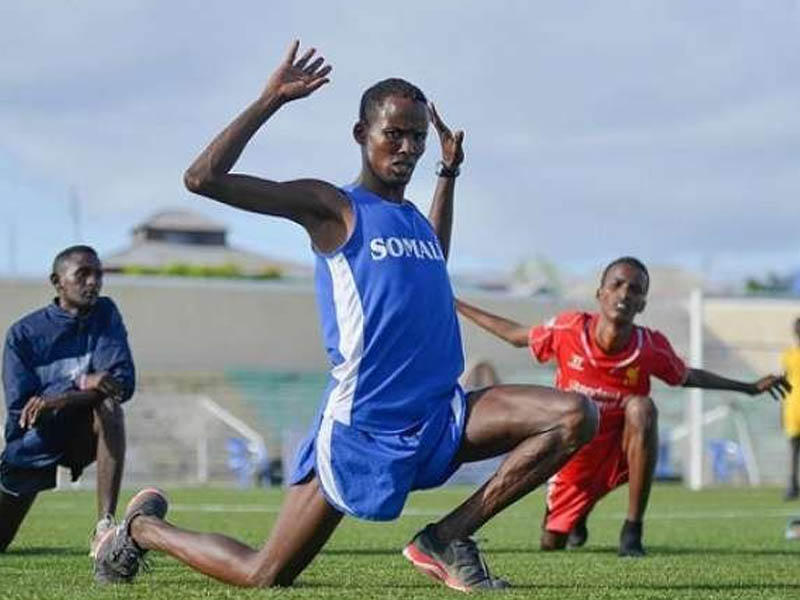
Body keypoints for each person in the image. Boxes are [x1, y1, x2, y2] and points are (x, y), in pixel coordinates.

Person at [93, 40, 598, 591]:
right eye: (394, 135)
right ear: (362, 136)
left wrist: (447, 176)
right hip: (365, 426)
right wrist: (270, 100)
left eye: (417, 138)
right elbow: (202, 178)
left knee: (575, 416)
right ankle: (143, 530)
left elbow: (430, 261)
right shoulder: (334, 208)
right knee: (265, 574)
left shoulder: (412, 219)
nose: (407, 147)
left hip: (439, 415)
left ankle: (448, 537)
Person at [456, 256, 790, 556]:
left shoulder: (649, 346)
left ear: (642, 303)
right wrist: (455, 304)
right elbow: (516, 335)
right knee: (551, 544)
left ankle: (632, 530)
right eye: (616, 285)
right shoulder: (568, 328)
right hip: (573, 454)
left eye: (635, 289)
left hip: (621, 449)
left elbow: (684, 375)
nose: (624, 294)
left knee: (642, 408)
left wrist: (748, 388)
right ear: (600, 294)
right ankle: (578, 512)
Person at [0, 245, 134, 555]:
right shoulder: (23, 334)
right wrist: (77, 383)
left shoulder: (105, 313)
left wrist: (64, 398)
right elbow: (25, 411)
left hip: (81, 434)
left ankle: (104, 529)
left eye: (98, 274)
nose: (93, 282)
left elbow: (122, 384)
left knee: (110, 408)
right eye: (82, 274)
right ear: (58, 281)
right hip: (34, 442)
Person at [781, 317, 800, 500]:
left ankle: (792, 487)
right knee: (793, 449)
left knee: (793, 450)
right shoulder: (789, 354)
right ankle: (793, 486)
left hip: (792, 406)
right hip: (793, 406)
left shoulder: (789, 354)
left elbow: (784, 381)